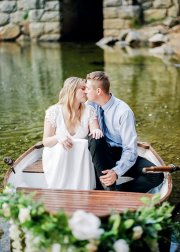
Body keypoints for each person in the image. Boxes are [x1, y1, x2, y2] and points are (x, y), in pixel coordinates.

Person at [85, 71, 164, 192]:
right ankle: (107, 186)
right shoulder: (89, 105)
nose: (85, 91)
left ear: (98, 91)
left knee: (156, 175)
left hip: (120, 154)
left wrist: (116, 172)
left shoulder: (123, 112)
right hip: (100, 154)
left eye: (88, 88)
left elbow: (130, 149)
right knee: (95, 139)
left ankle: (118, 191)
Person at [42, 77, 103, 190]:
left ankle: (83, 189)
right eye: (83, 88)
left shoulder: (89, 110)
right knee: (62, 146)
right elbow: (46, 142)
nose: (86, 91)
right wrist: (58, 137)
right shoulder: (53, 111)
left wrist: (96, 130)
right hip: (57, 157)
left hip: (80, 159)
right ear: (72, 90)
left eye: (87, 88)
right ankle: (60, 188)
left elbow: (95, 128)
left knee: (84, 144)